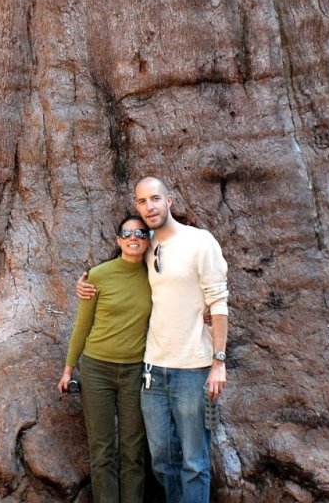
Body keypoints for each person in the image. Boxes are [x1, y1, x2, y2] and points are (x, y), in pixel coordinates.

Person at [77, 177, 229, 503]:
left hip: (194, 370)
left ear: (170, 200)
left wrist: (219, 362)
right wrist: (86, 282)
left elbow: (219, 302)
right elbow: (121, 272)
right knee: (161, 460)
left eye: (156, 199)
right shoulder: (148, 249)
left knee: (194, 462)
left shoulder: (200, 242)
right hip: (152, 372)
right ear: (137, 207)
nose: (150, 206)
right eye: (143, 201)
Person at [59, 215, 153, 503]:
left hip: (135, 371)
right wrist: (68, 370)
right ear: (118, 240)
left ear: (148, 239)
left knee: (133, 450)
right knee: (102, 449)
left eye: (140, 232)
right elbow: (82, 325)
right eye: (127, 233)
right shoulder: (98, 275)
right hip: (97, 369)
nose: (133, 237)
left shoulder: (157, 276)